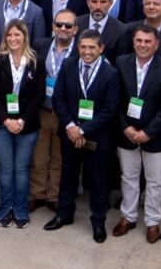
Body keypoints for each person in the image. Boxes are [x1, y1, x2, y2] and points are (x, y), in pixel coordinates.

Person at [47, 29, 120, 243]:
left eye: (91, 47)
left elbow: (110, 109)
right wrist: (71, 126)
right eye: (83, 47)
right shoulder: (69, 65)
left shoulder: (111, 73)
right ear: (78, 48)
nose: (87, 52)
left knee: (97, 181)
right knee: (68, 175)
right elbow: (58, 98)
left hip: (96, 136)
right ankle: (64, 213)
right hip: (69, 133)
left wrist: (82, 130)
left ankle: (98, 221)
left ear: (101, 49)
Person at [113, 25, 161, 243]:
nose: (143, 45)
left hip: (154, 136)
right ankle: (128, 217)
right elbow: (115, 100)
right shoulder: (121, 63)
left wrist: (148, 132)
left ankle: (152, 221)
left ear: (156, 44)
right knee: (128, 178)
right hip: (126, 133)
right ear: (133, 42)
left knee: (155, 181)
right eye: (139, 40)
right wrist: (125, 128)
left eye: (148, 42)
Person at [0, 20, 46, 228]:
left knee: (21, 169)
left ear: (25, 37)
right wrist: (6, 120)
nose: (13, 39)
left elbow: (39, 95)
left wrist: (21, 120)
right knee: (6, 169)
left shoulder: (36, 61)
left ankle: (20, 209)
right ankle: (5, 208)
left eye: (17, 35)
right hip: (2, 123)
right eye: (10, 35)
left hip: (27, 125)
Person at [30, 9, 77, 212]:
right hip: (43, 109)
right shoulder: (40, 45)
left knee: (59, 158)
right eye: (59, 25)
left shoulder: (80, 50)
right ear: (53, 27)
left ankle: (53, 196)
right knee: (39, 157)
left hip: (66, 114)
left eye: (68, 25)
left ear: (75, 29)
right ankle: (37, 194)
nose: (63, 29)